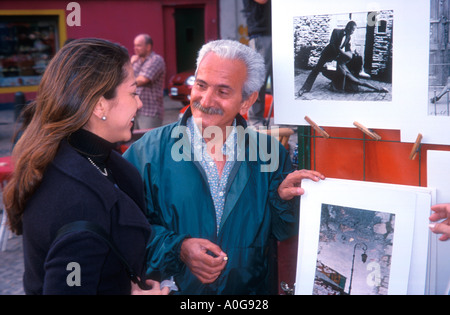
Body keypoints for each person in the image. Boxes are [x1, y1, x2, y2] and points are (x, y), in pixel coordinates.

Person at [123, 39, 325, 294]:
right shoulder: (148, 150)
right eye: (201, 85)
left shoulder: (270, 152)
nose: (205, 100)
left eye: (223, 91)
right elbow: (123, 229)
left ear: (247, 100)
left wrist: (284, 200)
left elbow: (282, 231)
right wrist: (178, 248)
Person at [3, 38, 168, 295]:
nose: (140, 103)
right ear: (100, 104)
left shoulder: (78, 157)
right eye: (133, 93)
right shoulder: (79, 205)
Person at [298, 21, 357, 96]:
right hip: (328, 54)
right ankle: (305, 88)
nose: (353, 32)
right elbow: (332, 44)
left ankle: (337, 86)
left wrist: (350, 53)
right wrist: (339, 53)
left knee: (342, 69)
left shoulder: (348, 37)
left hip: (337, 55)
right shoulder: (336, 31)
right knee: (316, 69)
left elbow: (348, 47)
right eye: (353, 30)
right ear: (349, 27)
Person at [242, 0, 272, 126]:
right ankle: (255, 121)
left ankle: (285, 121)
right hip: (261, 34)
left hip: (275, 31)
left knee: (281, 79)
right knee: (258, 79)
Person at [131, 34, 166, 129]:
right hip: (134, 111)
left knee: (149, 141)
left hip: (150, 112)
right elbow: (124, 76)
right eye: (135, 45)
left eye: (139, 45)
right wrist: (130, 63)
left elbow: (143, 80)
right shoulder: (135, 61)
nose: (135, 48)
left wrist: (125, 83)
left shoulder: (156, 60)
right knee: (134, 142)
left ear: (148, 47)